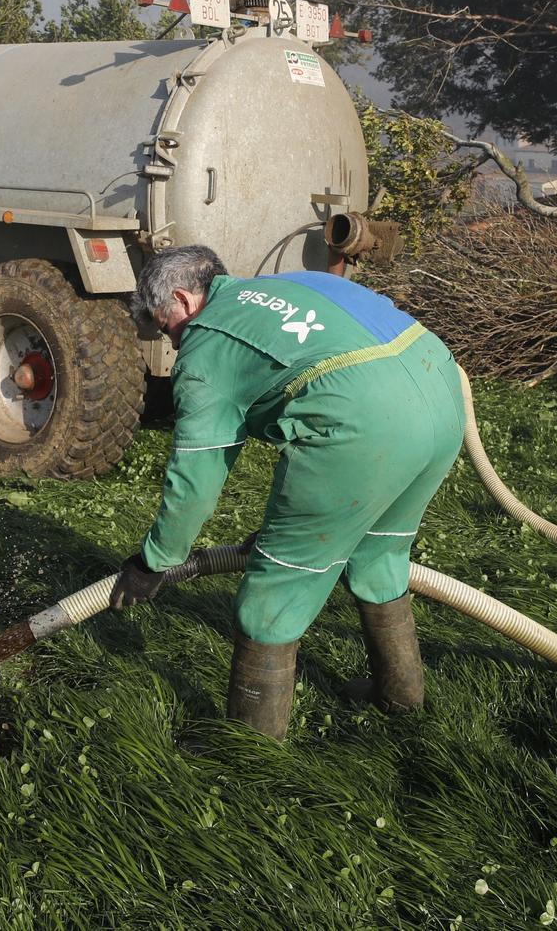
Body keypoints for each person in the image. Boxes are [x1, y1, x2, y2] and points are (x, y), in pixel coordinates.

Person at [111, 245, 466, 739]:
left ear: (183, 301)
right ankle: (401, 698)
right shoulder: (282, 284)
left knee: (271, 594)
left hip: (366, 423)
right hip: (441, 393)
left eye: (164, 327)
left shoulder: (206, 344)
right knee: (378, 554)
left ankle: (252, 752)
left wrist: (155, 561)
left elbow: (195, 476)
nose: (171, 343)